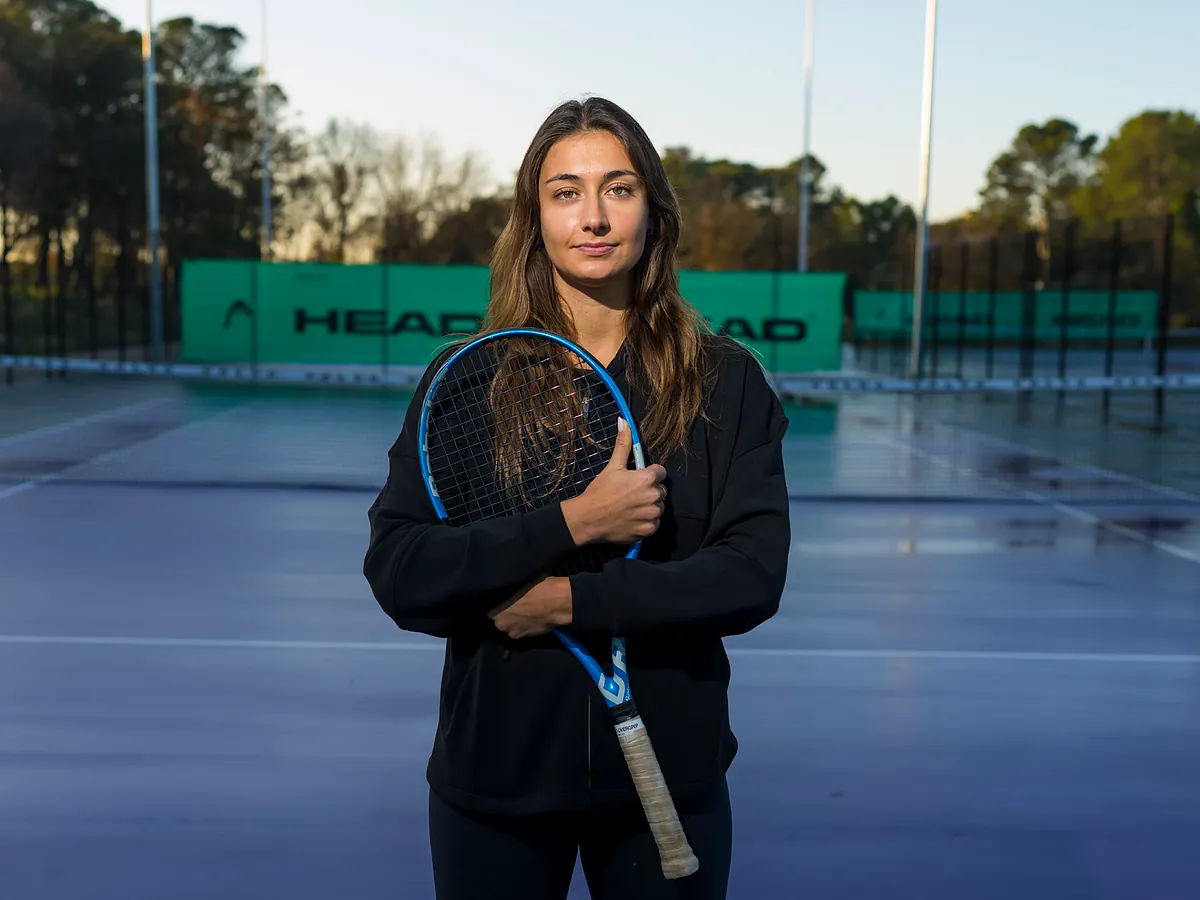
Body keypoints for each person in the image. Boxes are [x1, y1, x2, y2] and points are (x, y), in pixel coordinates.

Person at [363, 96, 791, 900]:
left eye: (618, 189)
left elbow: (750, 576)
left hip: (669, 779)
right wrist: (571, 524)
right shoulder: (469, 378)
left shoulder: (725, 381)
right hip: (494, 786)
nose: (592, 217)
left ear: (652, 210)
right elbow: (400, 571)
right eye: (565, 192)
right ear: (535, 217)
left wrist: (568, 600)